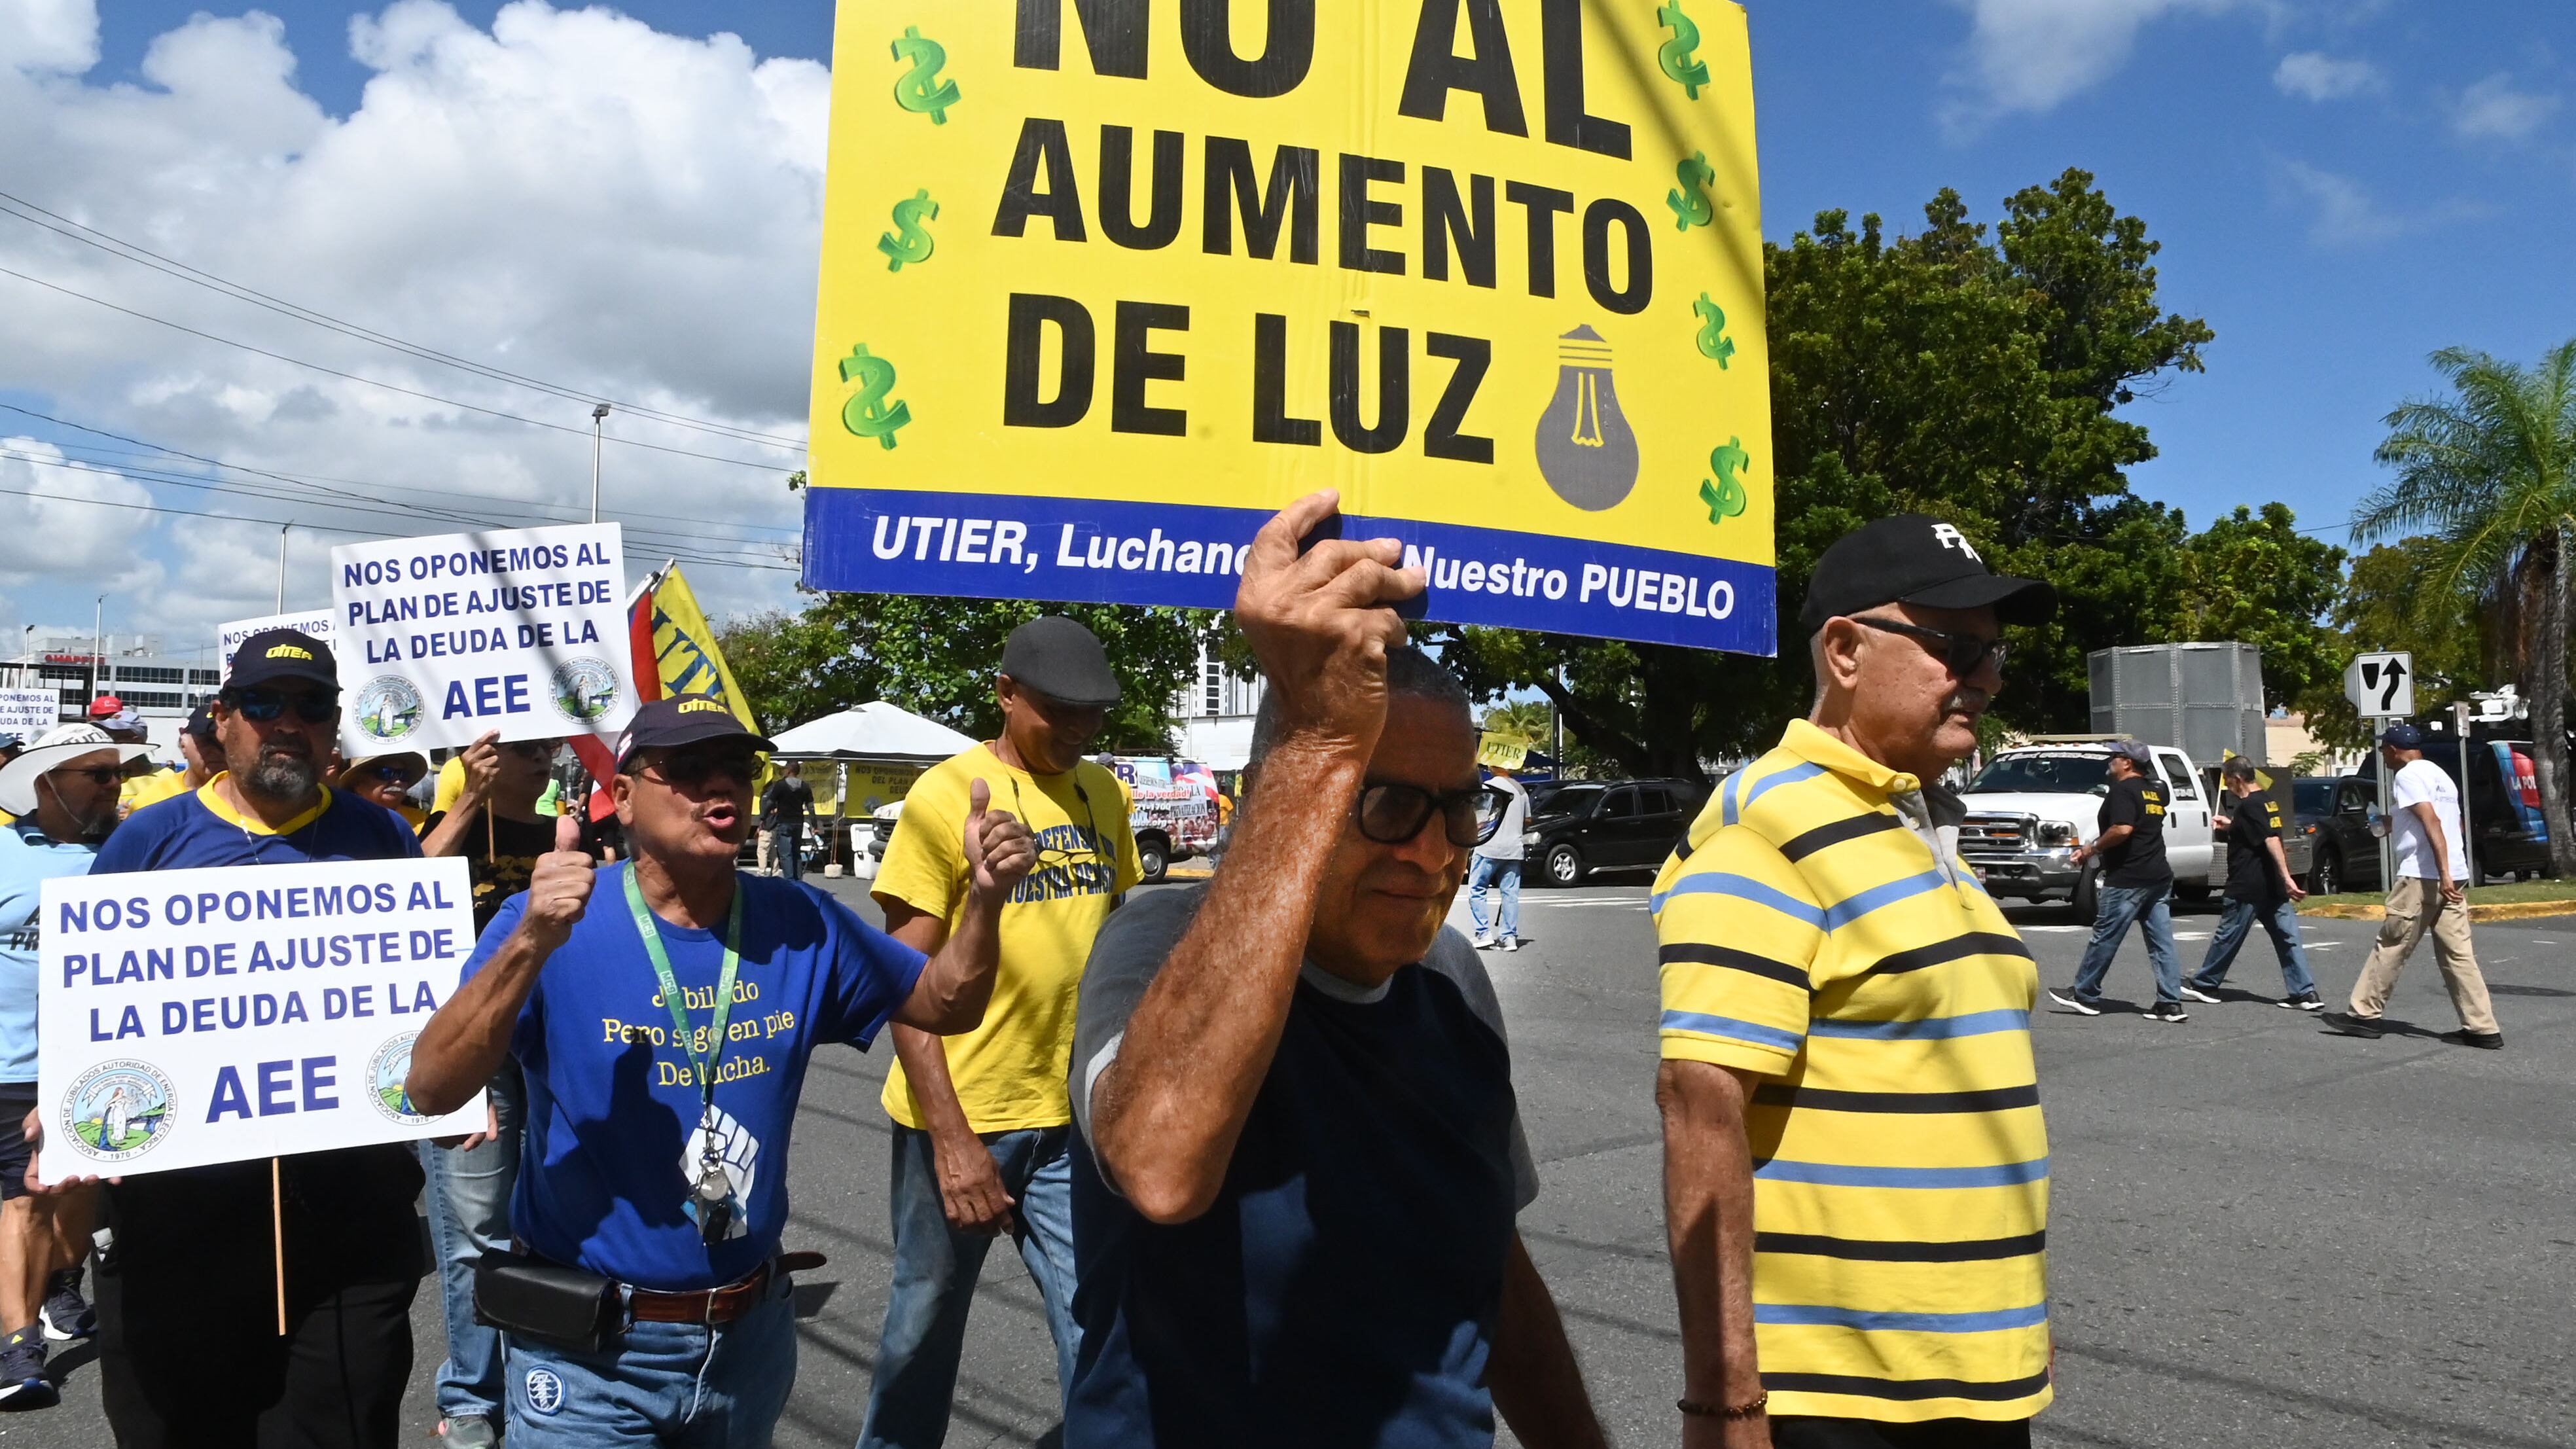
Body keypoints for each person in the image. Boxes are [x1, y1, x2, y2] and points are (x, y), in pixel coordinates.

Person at [1067, 493, 1606, 1448]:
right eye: (1388, 803)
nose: (1434, 852)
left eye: (1459, 806)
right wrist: (1321, 739)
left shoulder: (1450, 977)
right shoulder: (1158, 937)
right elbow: (1157, 1161)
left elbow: (1493, 1266)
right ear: (1291, 789)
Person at [402, 694, 1037, 1448]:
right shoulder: (547, 920)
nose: (721, 786)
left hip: (747, 1340)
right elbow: (431, 1089)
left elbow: (945, 1004)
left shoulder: (803, 920)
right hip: (589, 1357)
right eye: (689, 768)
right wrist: (531, 943)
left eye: (737, 768)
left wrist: (986, 901)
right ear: (627, 799)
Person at [1656, 514, 2058, 1447]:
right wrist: (1725, 1398)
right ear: (1843, 650)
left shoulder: (1906, 820)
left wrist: (2009, 1325)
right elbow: (1700, 1108)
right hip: (1843, 1399)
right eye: (1957, 649)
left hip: (1969, 1374)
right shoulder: (1767, 826)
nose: (1987, 679)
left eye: (1995, 655)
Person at [32, 628, 431, 1446]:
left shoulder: (383, 838)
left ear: (334, 725)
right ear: (224, 719)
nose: (287, 722)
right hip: (175, 1213)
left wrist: (444, 1084)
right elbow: (89, 997)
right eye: (262, 703)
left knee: (339, 1428)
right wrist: (60, 1098)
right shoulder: (151, 839)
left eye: (311, 705)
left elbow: (423, 998)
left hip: (347, 1209)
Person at [859, 616, 1141, 1449]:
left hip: (1071, 1113)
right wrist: (953, 1142)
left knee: (1098, 1315)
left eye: (1094, 714)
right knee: (925, 1321)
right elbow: (902, 986)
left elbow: (1116, 943)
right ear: (1007, 695)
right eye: (1061, 711)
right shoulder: (946, 798)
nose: (1082, 730)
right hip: (962, 1112)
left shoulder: (1104, 792)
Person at [412, 730, 572, 1449]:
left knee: (558, 1218)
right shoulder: (442, 831)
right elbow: (396, 892)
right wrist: (469, 800)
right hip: (469, 1050)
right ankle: (474, 1395)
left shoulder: (568, 834)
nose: (542, 759)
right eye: (524, 749)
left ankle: (549, 1376)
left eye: (548, 749)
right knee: (477, 1227)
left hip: (554, 1043)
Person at [0, 723, 150, 1406]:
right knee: (24, 1199)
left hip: (96, 1059)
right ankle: (17, 1344)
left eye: (117, 774)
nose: (115, 786)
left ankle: (62, 1283)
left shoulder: (129, 852)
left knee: (77, 1194)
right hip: (12, 1062)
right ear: (48, 783)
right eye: (99, 775)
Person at [2329, 724, 2502, 1048]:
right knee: (2458, 954)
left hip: (2423, 876)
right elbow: (2453, 823)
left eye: (2383, 749)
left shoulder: (2406, 776)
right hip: (2453, 874)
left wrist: (2443, 872)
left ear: (2394, 749)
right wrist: (2387, 824)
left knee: (2392, 943)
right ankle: (2482, 1028)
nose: (2382, 754)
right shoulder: (2440, 775)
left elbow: (2431, 821)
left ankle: (2364, 1016)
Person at [2048, 742, 2188, 1022]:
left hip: (2129, 877)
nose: (2110, 760)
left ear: (2128, 763)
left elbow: (2123, 828)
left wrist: (2092, 849)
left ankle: (2085, 994)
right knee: (2162, 943)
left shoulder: (2123, 790)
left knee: (2105, 937)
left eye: (2116, 756)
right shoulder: (2152, 790)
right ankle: (2170, 1003)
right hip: (2158, 875)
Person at [2181, 759, 2320, 1010]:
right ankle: (2304, 993)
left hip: (2248, 885)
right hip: (2270, 886)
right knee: (2288, 938)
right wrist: (2231, 825)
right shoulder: (2267, 801)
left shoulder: (2249, 805)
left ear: (2238, 778)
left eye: (2227, 779)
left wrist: (2288, 879)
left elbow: (2271, 841)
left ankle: (2205, 984)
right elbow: (2260, 831)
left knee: (2228, 936)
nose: (2226, 784)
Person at [120, 703, 219, 819]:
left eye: (229, 741)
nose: (217, 751)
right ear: (183, 745)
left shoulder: (244, 801)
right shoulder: (152, 800)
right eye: (207, 742)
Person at [1471, 761, 1529, 950]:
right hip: (1513, 849)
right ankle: (1508, 937)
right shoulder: (1521, 790)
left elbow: (1478, 815)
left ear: (1493, 767)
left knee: (1477, 889)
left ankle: (1483, 933)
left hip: (1488, 847)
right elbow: (1528, 819)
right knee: (1510, 894)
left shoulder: (1487, 788)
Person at [337, 750, 431, 828]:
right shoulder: (339, 823)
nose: (398, 782)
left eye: (404, 774)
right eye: (386, 773)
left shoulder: (424, 822)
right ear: (358, 782)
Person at [760, 759, 814, 882]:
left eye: (785, 769)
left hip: (784, 822)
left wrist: (763, 817)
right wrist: (814, 824)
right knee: (796, 853)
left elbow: (770, 802)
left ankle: (789, 881)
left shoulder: (781, 785)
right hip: (798, 823)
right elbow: (811, 807)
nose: (783, 771)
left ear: (789, 770)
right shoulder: (805, 786)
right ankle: (799, 881)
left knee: (786, 855)